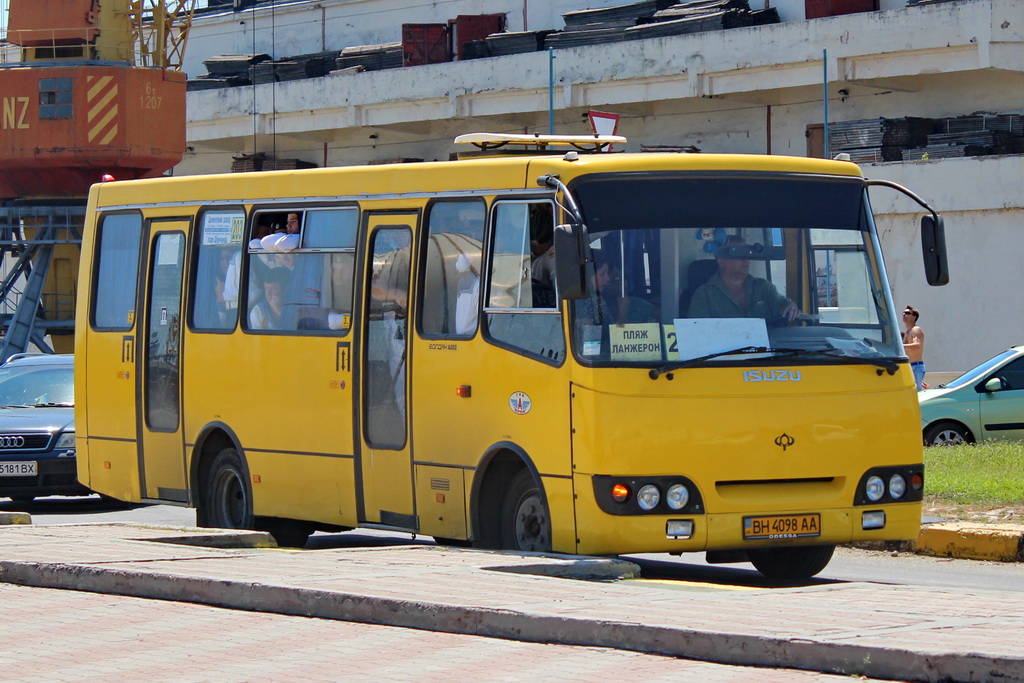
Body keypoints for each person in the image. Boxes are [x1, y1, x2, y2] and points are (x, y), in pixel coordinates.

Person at [686, 235, 799, 321]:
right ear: (721, 260)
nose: (746, 259)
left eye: (747, 254)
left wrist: (789, 305)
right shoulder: (704, 295)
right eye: (739, 254)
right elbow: (697, 335)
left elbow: (782, 303)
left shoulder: (763, 286)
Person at [903, 305, 927, 390]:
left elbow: (917, 346)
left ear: (914, 317)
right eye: (903, 312)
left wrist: (901, 346)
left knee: (917, 394)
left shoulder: (916, 330)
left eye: (907, 313)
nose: (904, 314)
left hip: (916, 367)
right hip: (909, 367)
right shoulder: (907, 332)